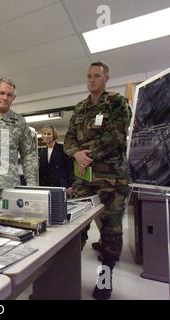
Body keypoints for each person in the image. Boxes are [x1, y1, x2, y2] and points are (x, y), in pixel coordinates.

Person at [64, 61, 131, 300]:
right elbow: (69, 138)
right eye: (89, 76)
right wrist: (75, 153)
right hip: (84, 178)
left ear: (106, 78)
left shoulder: (116, 102)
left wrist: (86, 154)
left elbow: (116, 134)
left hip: (112, 179)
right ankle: (65, 277)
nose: (92, 80)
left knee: (111, 233)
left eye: (97, 76)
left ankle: (105, 280)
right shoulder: (80, 108)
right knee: (74, 229)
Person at [0, 78, 38, 193]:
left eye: (9, 95)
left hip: (10, 187)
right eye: (1, 93)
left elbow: (29, 155)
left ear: (13, 98)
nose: (5, 97)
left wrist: (32, 185)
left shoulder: (20, 122)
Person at [39, 125, 73, 192]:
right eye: (44, 134)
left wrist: (70, 185)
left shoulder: (62, 148)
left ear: (54, 135)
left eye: (49, 134)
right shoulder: (42, 152)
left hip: (61, 185)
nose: (46, 136)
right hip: (47, 186)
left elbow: (70, 168)